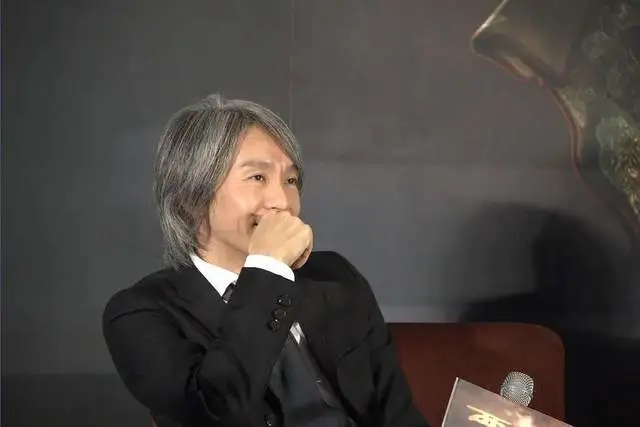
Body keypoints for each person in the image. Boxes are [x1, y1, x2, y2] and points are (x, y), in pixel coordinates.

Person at [102, 94, 428, 427]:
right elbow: (216, 410)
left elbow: (399, 416)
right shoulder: (141, 313)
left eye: (290, 181)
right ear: (190, 197)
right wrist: (268, 269)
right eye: (258, 177)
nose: (282, 202)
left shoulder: (335, 277)